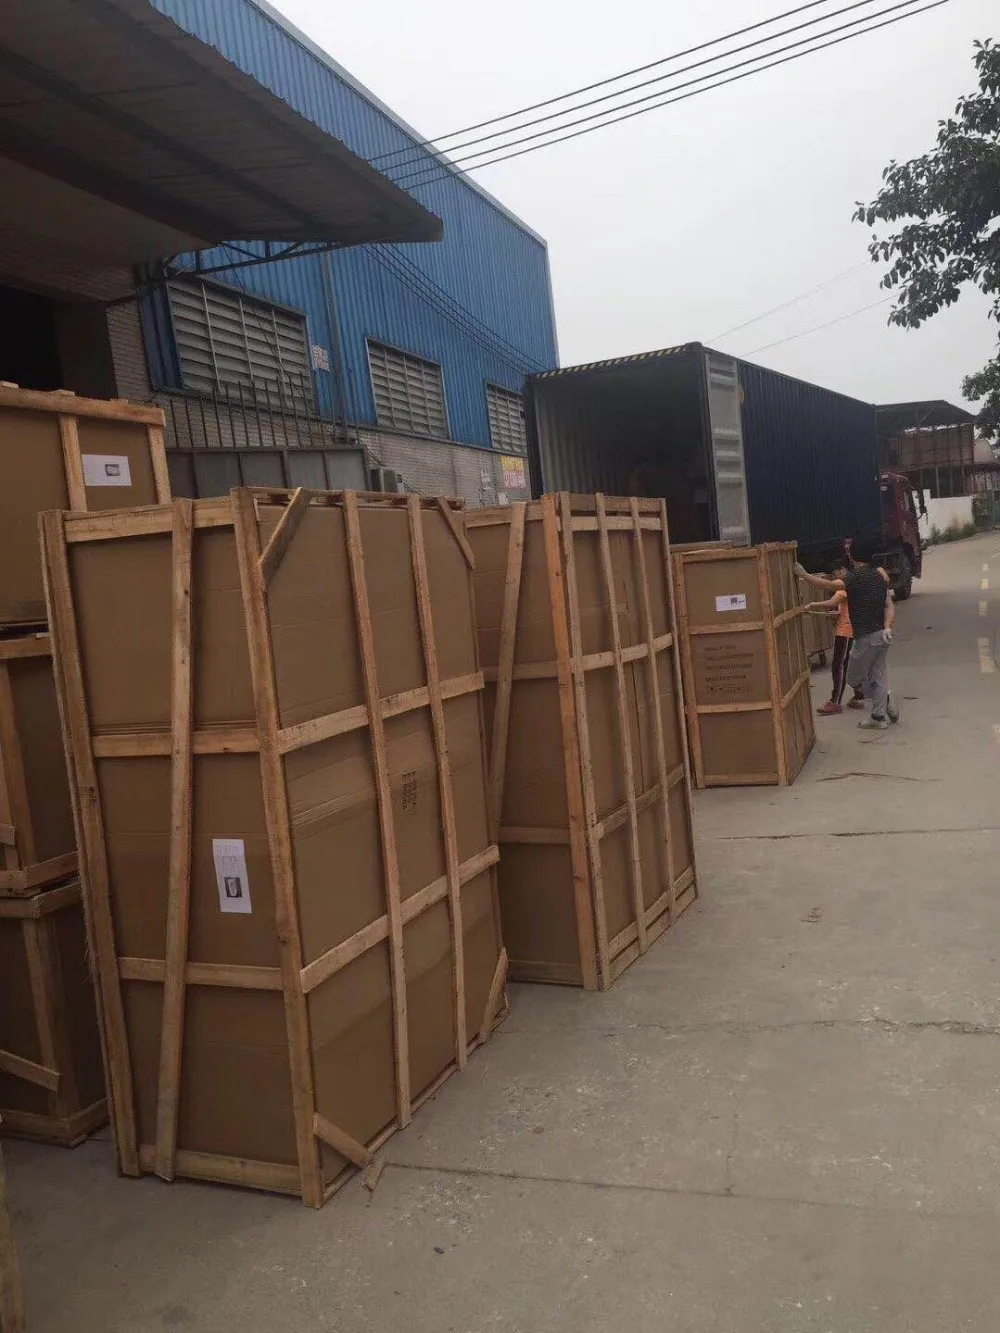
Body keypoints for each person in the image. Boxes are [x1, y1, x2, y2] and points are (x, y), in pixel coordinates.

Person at [795, 538, 899, 730]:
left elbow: (827, 585)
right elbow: (889, 605)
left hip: (865, 638)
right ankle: (878, 716)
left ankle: (883, 700)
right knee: (876, 674)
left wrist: (803, 575)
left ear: (852, 556)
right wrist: (888, 627)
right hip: (882, 635)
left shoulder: (854, 578)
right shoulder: (879, 577)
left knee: (853, 678)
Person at [812, 564, 865, 715]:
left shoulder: (844, 587)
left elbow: (831, 602)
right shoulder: (854, 584)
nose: (836, 578)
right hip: (851, 630)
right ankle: (859, 695)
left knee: (839, 665)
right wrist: (837, 613)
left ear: (843, 570)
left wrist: (811, 605)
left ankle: (835, 701)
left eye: (836, 574)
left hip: (846, 632)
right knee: (849, 664)